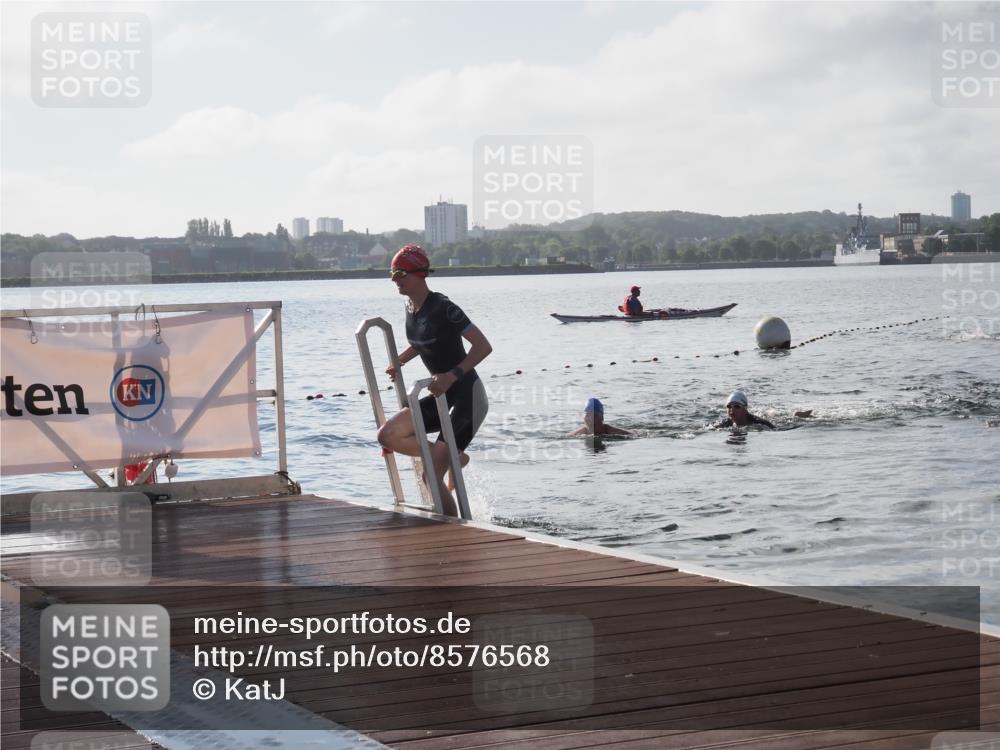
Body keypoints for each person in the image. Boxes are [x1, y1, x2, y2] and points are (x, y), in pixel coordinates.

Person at [377, 244, 492, 517]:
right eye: (392, 273)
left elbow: (483, 346)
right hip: (441, 395)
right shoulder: (410, 307)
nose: (394, 279)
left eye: (400, 273)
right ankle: (455, 458)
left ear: (420, 274)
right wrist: (400, 361)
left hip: (468, 396)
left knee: (430, 478)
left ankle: (457, 535)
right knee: (388, 435)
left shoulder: (444, 308)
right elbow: (425, 342)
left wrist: (452, 375)